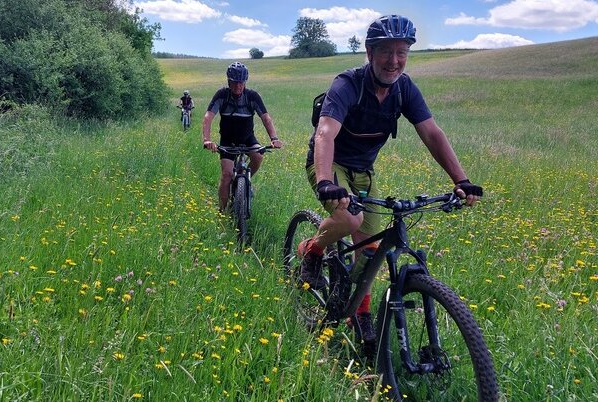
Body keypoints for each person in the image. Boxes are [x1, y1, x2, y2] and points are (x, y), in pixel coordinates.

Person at [299, 15, 484, 355]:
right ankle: (311, 251)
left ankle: (360, 313)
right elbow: (325, 132)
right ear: (370, 52)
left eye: (402, 52)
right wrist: (325, 181)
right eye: (386, 51)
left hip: (363, 170)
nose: (394, 60)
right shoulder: (348, 84)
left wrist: (462, 180)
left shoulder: (404, 89)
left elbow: (431, 132)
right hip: (330, 161)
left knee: (369, 249)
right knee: (350, 219)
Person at [202, 62, 283, 211]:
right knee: (226, 175)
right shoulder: (222, 95)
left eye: (241, 82)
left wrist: (274, 138)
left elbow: (266, 118)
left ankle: (246, 181)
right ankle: (222, 212)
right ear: (228, 81)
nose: (238, 86)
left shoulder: (252, 96)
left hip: (247, 139)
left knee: (258, 156)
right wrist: (207, 140)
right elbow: (208, 117)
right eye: (234, 83)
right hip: (227, 140)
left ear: (245, 82)